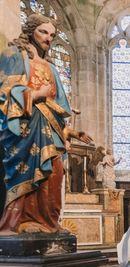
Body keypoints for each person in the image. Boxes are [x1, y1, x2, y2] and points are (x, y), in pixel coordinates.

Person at [0, 14, 93, 234]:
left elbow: (57, 110)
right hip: (24, 128)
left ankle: (48, 222)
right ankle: (22, 220)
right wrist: (35, 94)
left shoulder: (51, 68)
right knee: (29, 170)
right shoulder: (14, 55)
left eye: (52, 34)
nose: (48, 38)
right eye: (43, 32)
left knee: (55, 172)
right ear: (31, 30)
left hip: (50, 130)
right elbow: (4, 92)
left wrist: (70, 132)